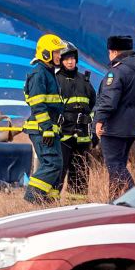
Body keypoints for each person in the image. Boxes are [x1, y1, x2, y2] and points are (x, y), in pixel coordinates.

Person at [93, 35, 135, 200]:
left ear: (114, 52)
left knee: (115, 166)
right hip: (133, 127)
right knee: (119, 166)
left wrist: (99, 120)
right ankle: (115, 202)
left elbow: (108, 101)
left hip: (114, 128)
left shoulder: (117, 72)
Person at [22, 34, 66, 204]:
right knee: (52, 164)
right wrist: (47, 128)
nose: (59, 56)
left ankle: (48, 202)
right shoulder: (39, 74)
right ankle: (31, 199)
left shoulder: (49, 73)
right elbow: (38, 105)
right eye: (56, 52)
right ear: (46, 53)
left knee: (57, 165)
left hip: (49, 129)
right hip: (42, 130)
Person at [55, 41, 96, 197]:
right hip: (63, 136)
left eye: (72, 58)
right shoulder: (56, 80)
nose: (70, 61)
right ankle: (50, 206)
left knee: (80, 174)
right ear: (61, 61)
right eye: (66, 59)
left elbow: (93, 104)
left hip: (82, 138)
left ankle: (77, 206)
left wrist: (92, 131)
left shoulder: (84, 81)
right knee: (59, 172)